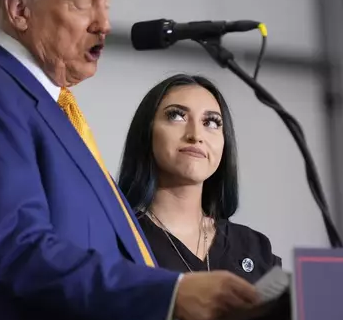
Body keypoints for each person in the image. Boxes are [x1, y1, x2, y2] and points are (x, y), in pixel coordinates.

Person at [0, 0, 260, 320]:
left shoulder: (48, 107)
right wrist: (171, 293)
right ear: (20, 10)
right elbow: (23, 251)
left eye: (106, 3)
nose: (104, 23)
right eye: (83, 2)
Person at [117, 74, 283, 284]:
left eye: (211, 122)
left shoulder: (255, 248)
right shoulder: (120, 240)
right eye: (177, 116)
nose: (196, 135)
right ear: (146, 133)